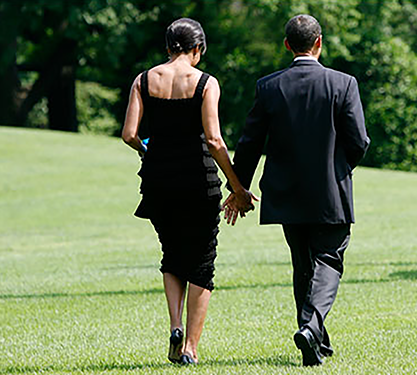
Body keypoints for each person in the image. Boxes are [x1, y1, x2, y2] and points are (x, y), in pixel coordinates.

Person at [224, 14, 370, 366]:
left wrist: (239, 187)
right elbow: (359, 141)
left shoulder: (268, 86)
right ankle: (311, 328)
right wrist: (339, 170)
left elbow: (248, 143)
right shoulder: (344, 83)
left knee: (304, 264)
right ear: (319, 42)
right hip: (330, 193)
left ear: (287, 44)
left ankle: (316, 343)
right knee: (329, 261)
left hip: (286, 193)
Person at [122, 18, 256, 365]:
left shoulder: (143, 80)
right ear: (199, 49)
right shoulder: (206, 83)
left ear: (169, 48)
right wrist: (237, 185)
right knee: (202, 261)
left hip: (158, 180)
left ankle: (175, 324)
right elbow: (213, 140)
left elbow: (129, 134)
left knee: (172, 253)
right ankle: (190, 349)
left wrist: (147, 150)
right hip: (198, 181)